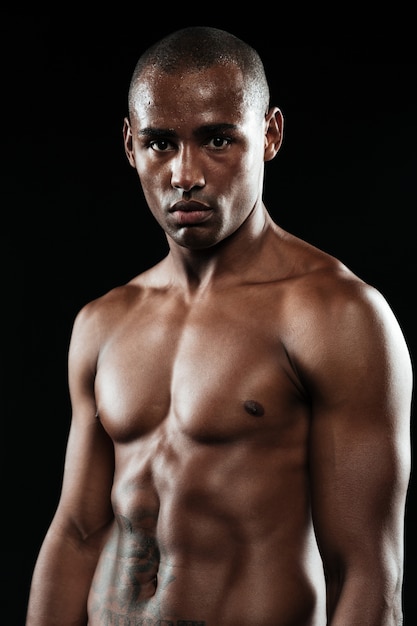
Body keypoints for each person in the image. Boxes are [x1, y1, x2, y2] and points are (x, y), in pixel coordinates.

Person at [26, 26, 413, 626]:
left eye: (217, 140)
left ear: (270, 134)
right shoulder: (103, 321)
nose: (185, 174)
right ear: (130, 145)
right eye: (160, 142)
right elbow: (76, 531)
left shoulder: (334, 315)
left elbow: (367, 573)